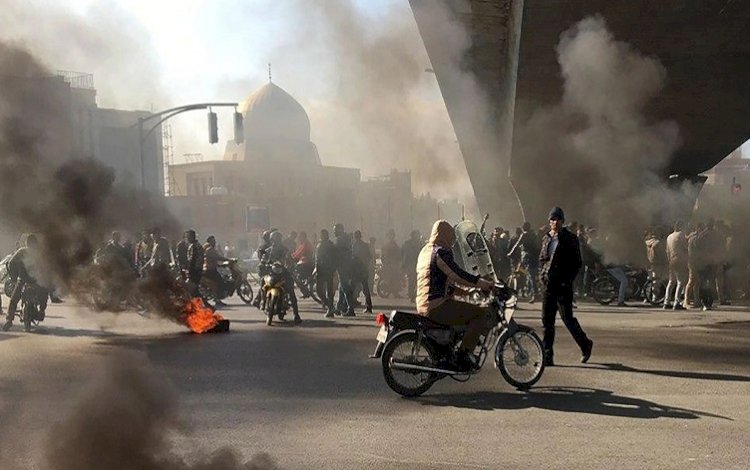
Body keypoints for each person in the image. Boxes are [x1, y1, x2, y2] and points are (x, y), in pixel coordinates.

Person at [416, 220, 494, 372]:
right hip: (436, 305)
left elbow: (439, 281)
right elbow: (457, 274)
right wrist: (480, 283)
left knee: (463, 312)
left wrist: (466, 292)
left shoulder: (425, 251)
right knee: (479, 314)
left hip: (424, 303)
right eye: (451, 236)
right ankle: (464, 356)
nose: (452, 241)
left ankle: (452, 351)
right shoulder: (440, 252)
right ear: (444, 235)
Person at [538, 207, 593, 366]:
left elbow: (577, 263)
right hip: (548, 286)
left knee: (567, 318)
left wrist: (567, 280)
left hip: (563, 286)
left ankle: (585, 344)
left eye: (558, 219)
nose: (554, 222)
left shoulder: (570, 238)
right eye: (552, 219)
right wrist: (541, 276)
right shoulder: (546, 239)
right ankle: (547, 356)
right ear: (549, 221)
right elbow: (542, 259)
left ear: (562, 221)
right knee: (547, 321)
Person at [3, 234, 48, 331]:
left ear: (27, 243)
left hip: (22, 280)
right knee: (44, 292)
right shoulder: (40, 253)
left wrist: (14, 277)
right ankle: (41, 311)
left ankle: (9, 320)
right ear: (36, 243)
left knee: (14, 299)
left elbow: (11, 263)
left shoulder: (21, 251)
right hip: (37, 281)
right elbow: (46, 267)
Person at [263, 231, 301, 323]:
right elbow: (263, 259)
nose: (275, 241)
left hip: (283, 272)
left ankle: (296, 314)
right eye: (274, 239)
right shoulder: (268, 250)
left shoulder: (285, 250)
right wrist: (262, 264)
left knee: (291, 290)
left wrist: (289, 264)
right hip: (272, 273)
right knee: (262, 282)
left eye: (278, 239)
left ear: (280, 240)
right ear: (271, 240)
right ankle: (261, 302)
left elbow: (290, 259)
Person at [664, 222, 688, 309]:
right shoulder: (681, 235)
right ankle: (676, 302)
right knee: (680, 282)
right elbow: (686, 247)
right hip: (680, 260)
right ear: (681, 227)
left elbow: (667, 251)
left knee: (671, 282)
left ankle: (666, 302)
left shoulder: (669, 237)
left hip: (671, 260)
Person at [333, 223, 355, 316]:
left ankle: (350, 308)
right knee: (341, 287)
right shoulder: (347, 238)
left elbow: (336, 252)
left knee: (344, 287)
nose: (334, 232)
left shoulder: (339, 239)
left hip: (342, 265)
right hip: (348, 265)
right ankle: (339, 307)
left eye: (335, 230)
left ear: (340, 229)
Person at [314, 229, 337, 317]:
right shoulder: (329, 245)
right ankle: (330, 307)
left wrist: (317, 269)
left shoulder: (323, 246)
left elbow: (318, 259)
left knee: (321, 290)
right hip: (328, 270)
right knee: (328, 291)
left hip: (323, 270)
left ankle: (330, 307)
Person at [203, 235, 230, 307]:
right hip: (210, 270)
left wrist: (221, 264)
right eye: (213, 241)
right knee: (220, 282)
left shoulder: (209, 249)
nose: (214, 242)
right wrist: (228, 260)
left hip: (211, 269)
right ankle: (217, 299)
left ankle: (217, 298)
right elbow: (218, 257)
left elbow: (214, 260)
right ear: (210, 242)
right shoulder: (210, 250)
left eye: (214, 241)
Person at [351, 230, 373, 313]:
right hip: (364, 270)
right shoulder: (365, 245)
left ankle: (350, 305)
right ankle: (369, 307)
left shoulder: (354, 246)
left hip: (356, 271)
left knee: (352, 288)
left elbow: (353, 258)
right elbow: (369, 257)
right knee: (366, 289)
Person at [400, 230, 422, 302]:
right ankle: (412, 296)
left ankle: (412, 295)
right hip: (412, 264)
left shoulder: (407, 243)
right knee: (413, 281)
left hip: (413, 264)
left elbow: (402, 253)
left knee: (413, 281)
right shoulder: (416, 244)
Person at [291, 231, 315, 298]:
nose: (298, 238)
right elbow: (296, 253)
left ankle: (305, 291)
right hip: (303, 262)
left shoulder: (306, 244)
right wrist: (291, 256)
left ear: (303, 237)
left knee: (297, 277)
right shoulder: (303, 244)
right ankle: (305, 290)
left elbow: (299, 253)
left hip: (306, 264)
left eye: (299, 237)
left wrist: (293, 257)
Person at [381, 229, 402, 297]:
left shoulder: (389, 244)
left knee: (395, 278)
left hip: (391, 263)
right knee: (394, 278)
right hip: (391, 264)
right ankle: (394, 292)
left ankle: (394, 291)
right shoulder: (390, 244)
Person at [185, 230, 204, 298]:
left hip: (194, 271)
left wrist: (189, 273)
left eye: (187, 237)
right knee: (194, 291)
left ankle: (208, 307)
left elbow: (192, 260)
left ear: (192, 237)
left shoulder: (194, 246)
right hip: (197, 270)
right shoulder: (197, 245)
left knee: (193, 291)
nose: (186, 239)